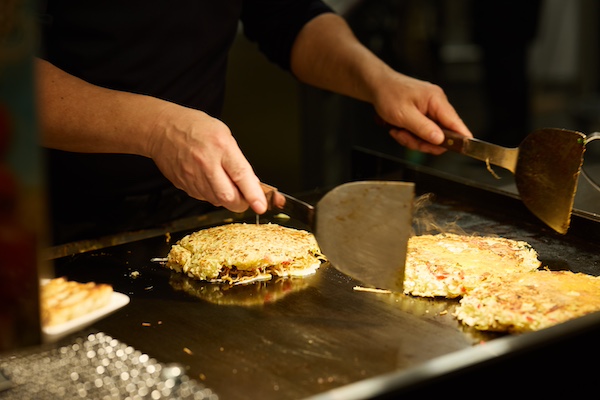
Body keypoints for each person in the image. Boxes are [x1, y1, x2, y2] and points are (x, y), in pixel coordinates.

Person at [37, 1, 471, 245]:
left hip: (192, 207)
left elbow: (285, 15)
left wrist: (378, 80)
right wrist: (156, 128)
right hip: (42, 213)